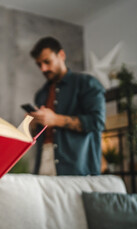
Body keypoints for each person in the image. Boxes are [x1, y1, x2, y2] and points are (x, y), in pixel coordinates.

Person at [28, 36, 105, 176]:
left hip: (78, 168)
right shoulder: (41, 94)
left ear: (61, 55)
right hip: (42, 164)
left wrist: (55, 120)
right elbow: (38, 136)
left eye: (47, 62)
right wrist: (33, 124)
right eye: (39, 65)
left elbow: (97, 122)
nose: (43, 69)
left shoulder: (87, 83)